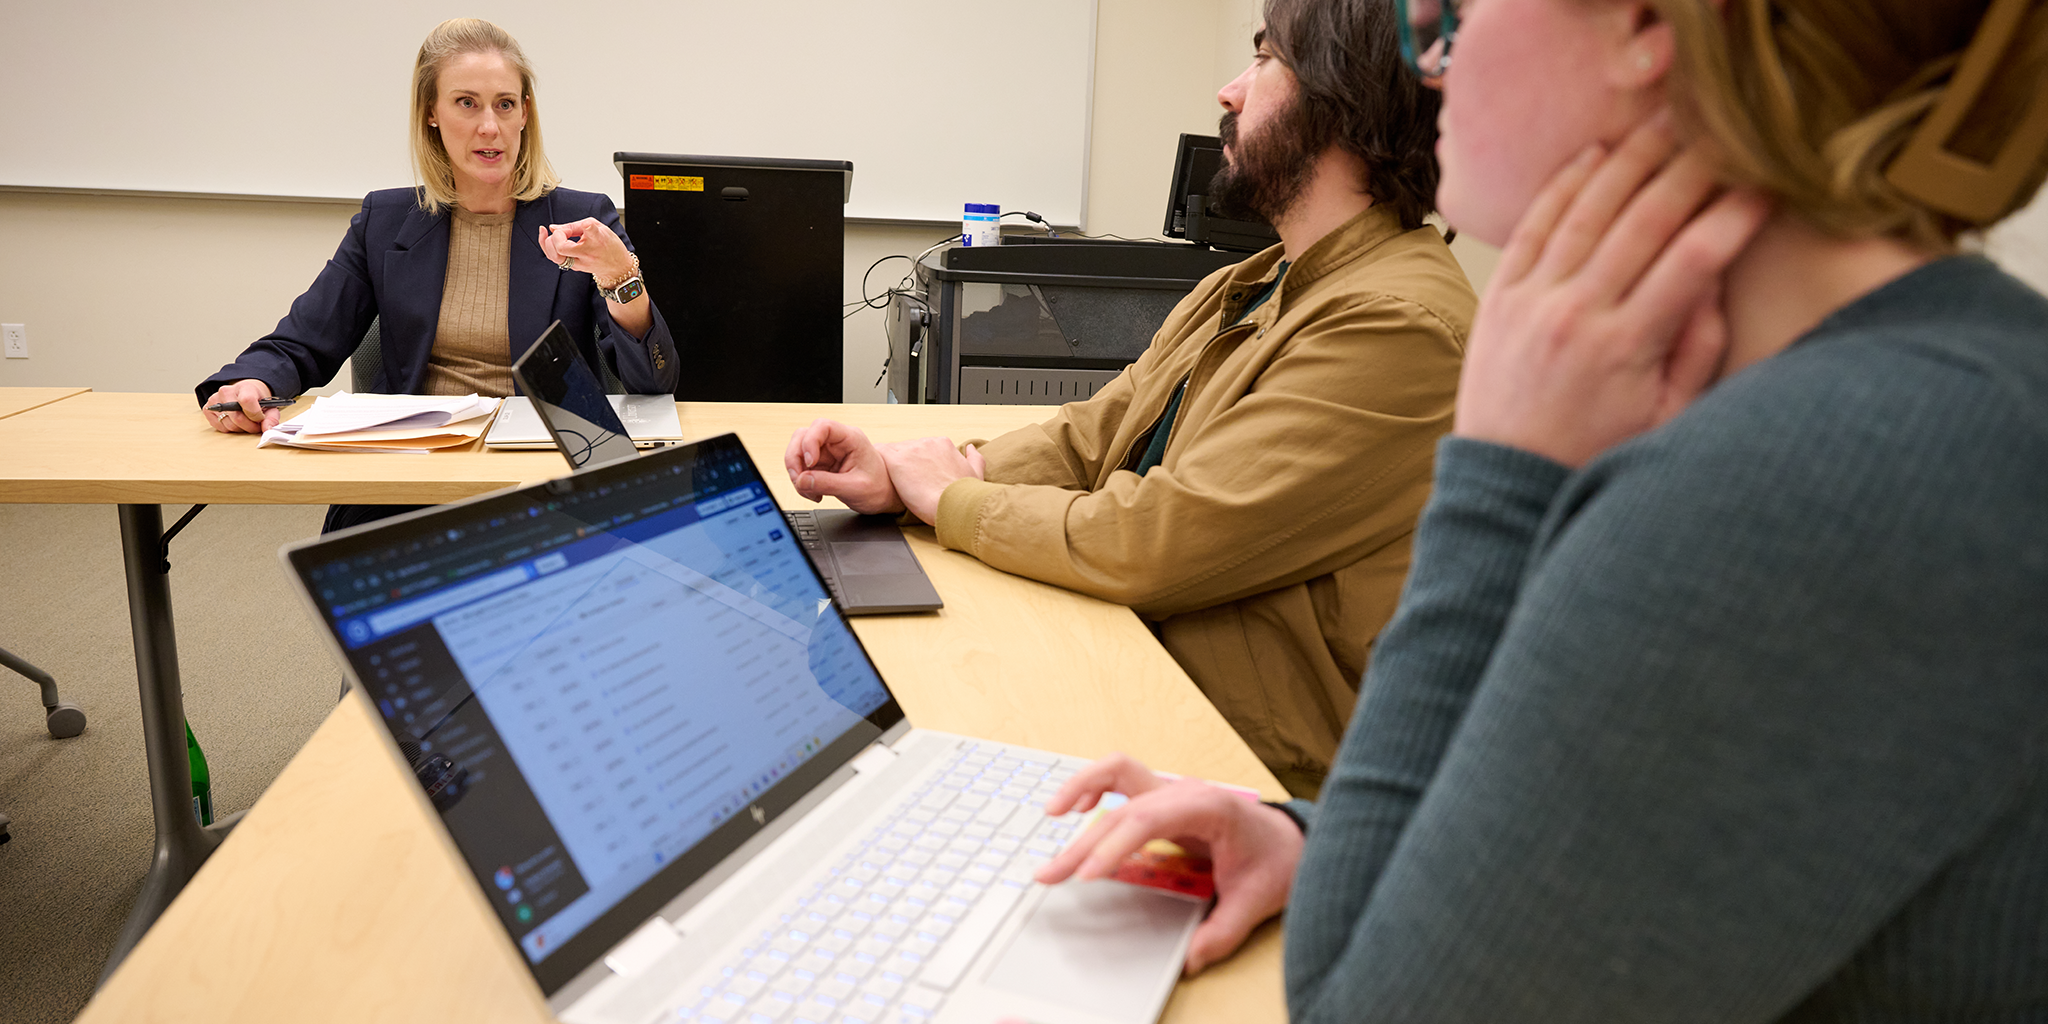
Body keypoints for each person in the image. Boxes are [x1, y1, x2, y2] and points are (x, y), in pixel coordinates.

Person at [1035, 0, 2048, 1015]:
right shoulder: (1899, 393)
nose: (1428, 72)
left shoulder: (1816, 477)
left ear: (1650, 28)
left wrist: (1499, 478)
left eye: (1456, 21)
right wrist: (1313, 835)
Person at [787, 0, 1474, 797]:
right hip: (1146, 666)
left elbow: (1159, 540)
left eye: (1263, 59)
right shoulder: (1249, 282)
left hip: (1250, 770)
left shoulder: (1395, 327)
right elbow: (1091, 437)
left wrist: (955, 499)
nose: (1229, 91)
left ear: (1339, 93)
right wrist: (920, 477)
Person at [194, 18, 680, 533]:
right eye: (466, 103)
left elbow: (654, 382)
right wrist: (251, 379)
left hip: (545, 467)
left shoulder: (584, 219)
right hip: (409, 471)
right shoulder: (384, 221)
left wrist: (621, 279)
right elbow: (304, 340)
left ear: (524, 115)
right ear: (431, 113)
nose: (488, 126)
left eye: (505, 104)